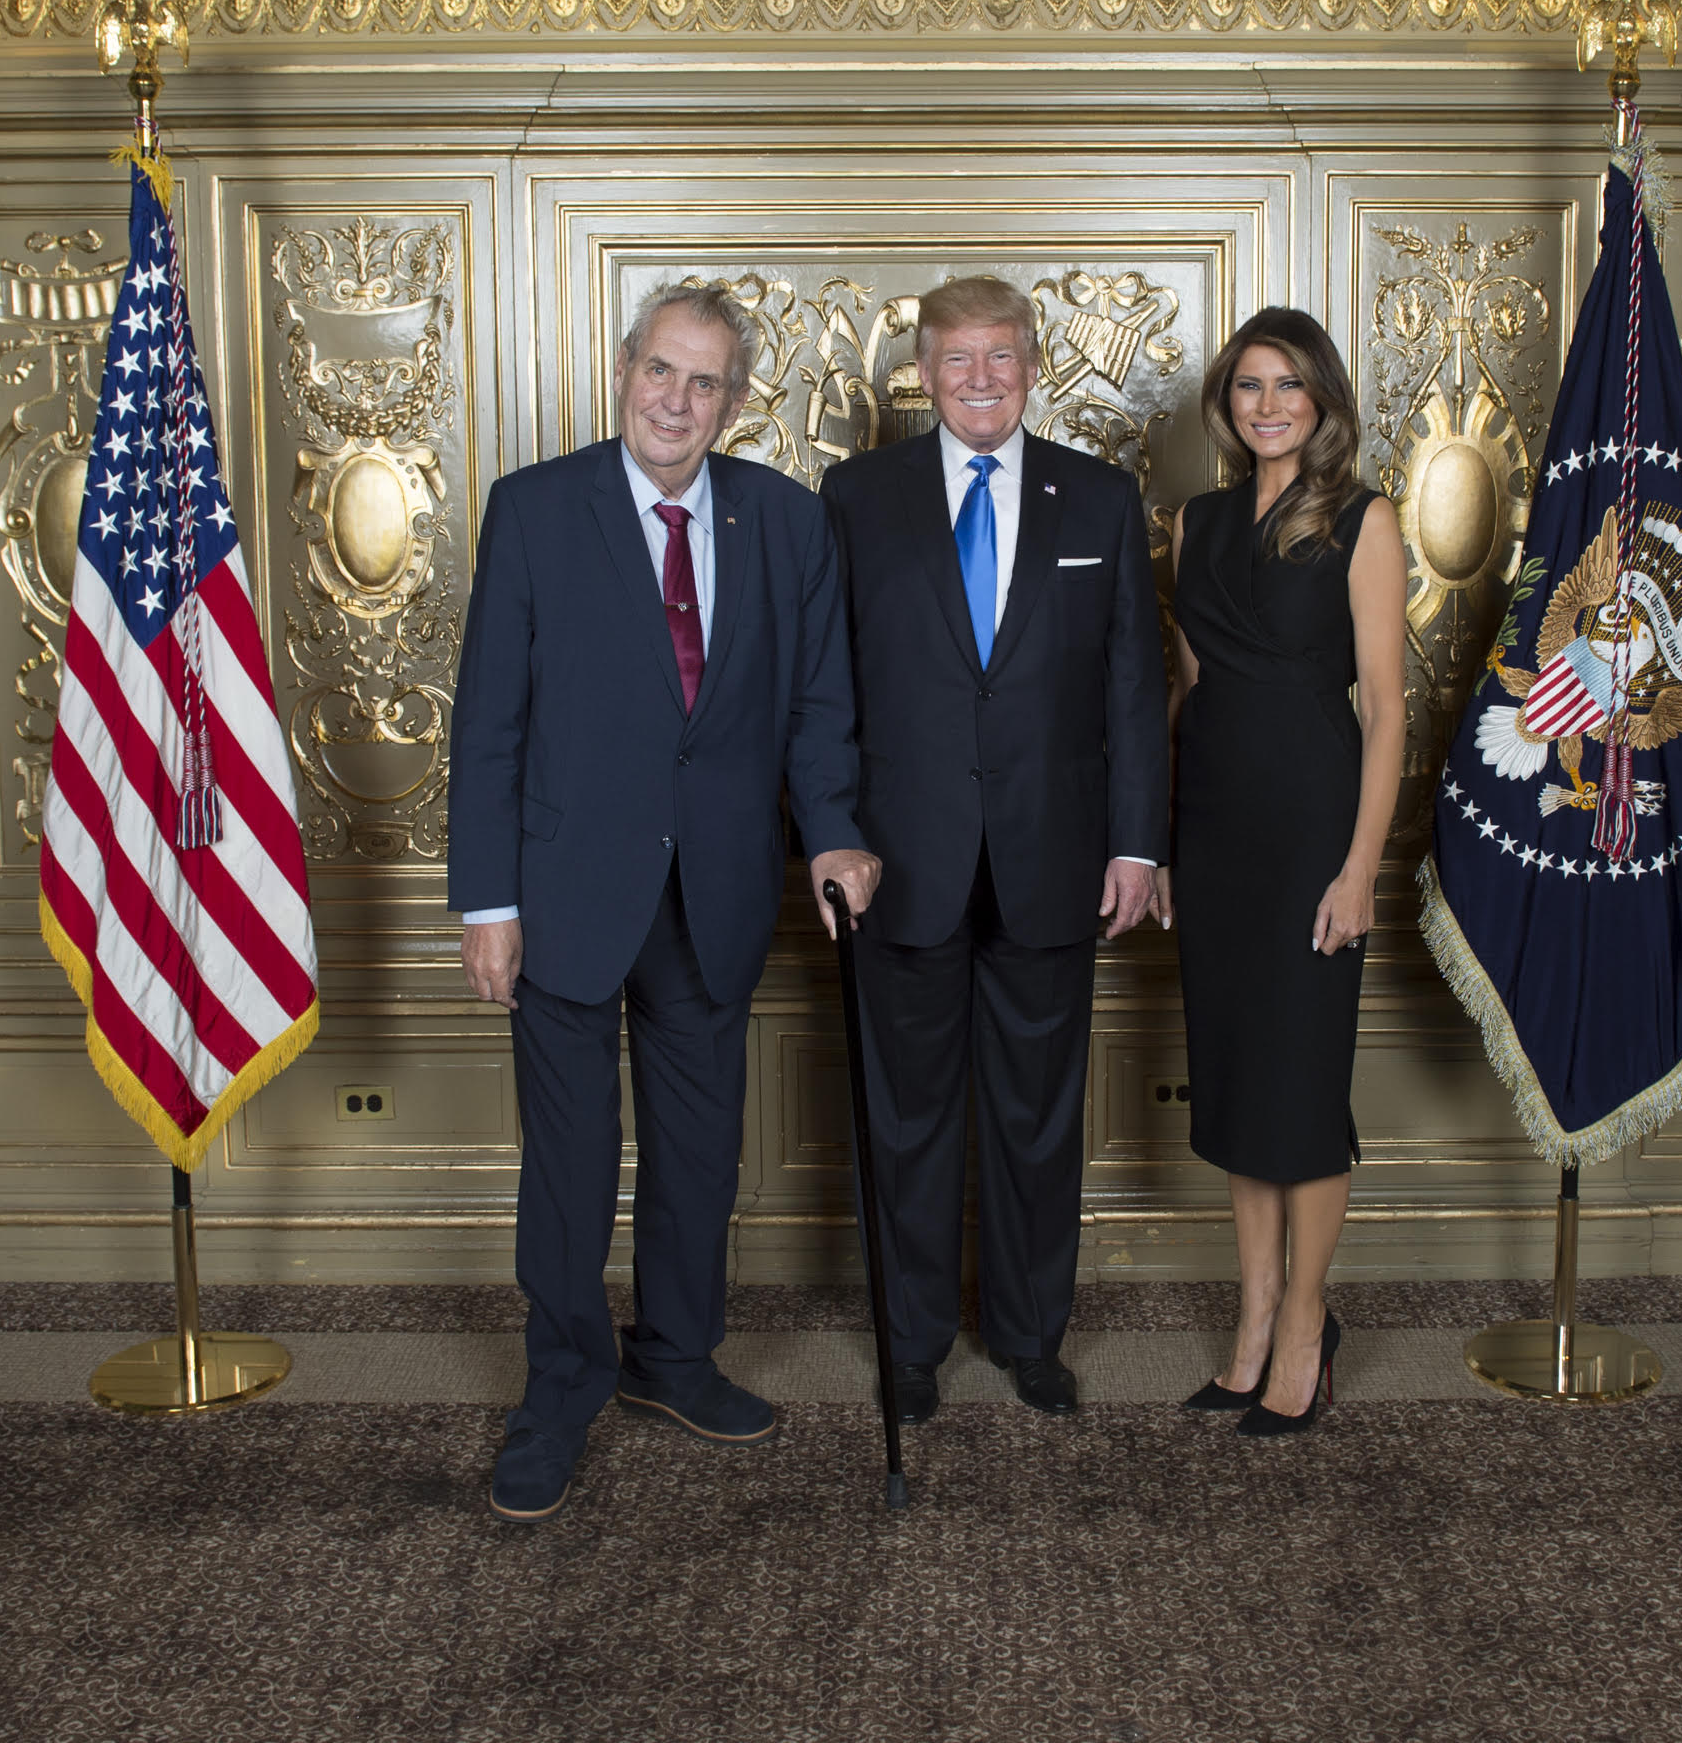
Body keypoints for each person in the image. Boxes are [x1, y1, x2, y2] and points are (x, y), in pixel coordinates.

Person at [448, 282, 879, 1523]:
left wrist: (836, 835)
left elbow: (818, 707)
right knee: (571, 1167)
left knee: (698, 1154)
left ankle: (676, 1358)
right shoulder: (535, 510)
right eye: (660, 371)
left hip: (718, 891)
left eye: (704, 383)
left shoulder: (785, 521)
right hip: (564, 895)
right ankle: (559, 1390)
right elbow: (490, 723)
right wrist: (486, 903)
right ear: (624, 369)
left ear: (734, 402)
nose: (676, 401)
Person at [819, 274, 1169, 1423]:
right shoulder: (856, 496)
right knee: (906, 1120)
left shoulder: (1100, 498)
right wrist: (832, 834)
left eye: (1001, 356)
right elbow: (826, 686)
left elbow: (1132, 685)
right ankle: (911, 1343)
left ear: (1032, 366)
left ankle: (1029, 1335)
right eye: (958, 359)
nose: (981, 379)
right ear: (923, 374)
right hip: (898, 863)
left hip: (1053, 858)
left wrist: (1137, 845)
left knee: (1036, 1118)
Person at [1158, 308, 1405, 1436]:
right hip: (1216, 830)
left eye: (1288, 385)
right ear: (1228, 401)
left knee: (1300, 1089)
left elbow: (1387, 709)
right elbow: (1186, 691)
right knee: (1238, 1081)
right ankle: (1252, 1316)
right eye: (1250, 385)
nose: (1268, 405)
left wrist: (1360, 870)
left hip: (1313, 825)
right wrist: (1166, 844)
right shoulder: (1196, 522)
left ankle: (1306, 1322)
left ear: (1323, 401)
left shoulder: (1362, 519)